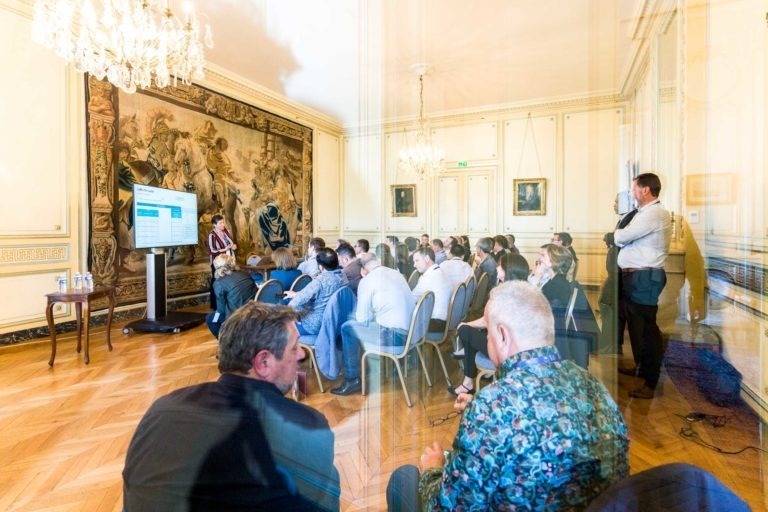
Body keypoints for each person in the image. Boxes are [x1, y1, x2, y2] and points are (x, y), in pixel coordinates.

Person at [387, 281, 629, 511]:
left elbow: (449, 506)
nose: (488, 339)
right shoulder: (593, 385)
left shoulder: (491, 406)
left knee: (404, 478)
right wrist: (479, 409)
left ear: (502, 336)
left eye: (488, 333)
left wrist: (432, 470)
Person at [123, 303, 341, 511]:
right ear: (263, 363)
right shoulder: (306, 427)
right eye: (294, 348)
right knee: (330, 478)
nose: (302, 354)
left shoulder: (162, 409)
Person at [615, 172, 671, 399]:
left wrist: (620, 234)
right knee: (637, 330)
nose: (631, 192)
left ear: (645, 190)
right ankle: (641, 368)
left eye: (634, 188)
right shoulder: (643, 213)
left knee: (647, 331)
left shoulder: (654, 214)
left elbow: (620, 236)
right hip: (637, 278)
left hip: (644, 279)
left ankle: (650, 381)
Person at [331, 254, 416, 396]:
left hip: (395, 337)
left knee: (347, 327)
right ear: (378, 262)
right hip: (412, 332)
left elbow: (362, 319)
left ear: (363, 270)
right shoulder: (396, 273)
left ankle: (352, 379)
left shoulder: (367, 281)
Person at [448, 253, 530, 396]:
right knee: (470, 333)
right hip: (518, 345)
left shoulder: (504, 294)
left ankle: (467, 382)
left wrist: (464, 325)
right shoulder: (523, 290)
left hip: (505, 350)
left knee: (464, 332)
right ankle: (468, 381)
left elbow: (486, 321)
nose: (497, 267)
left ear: (507, 270)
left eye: (499, 265)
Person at [286, 248, 346, 335]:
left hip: (314, 326)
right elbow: (325, 294)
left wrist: (285, 313)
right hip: (335, 320)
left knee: (281, 324)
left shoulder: (320, 281)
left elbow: (298, 300)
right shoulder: (342, 275)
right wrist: (296, 294)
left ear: (320, 266)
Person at [206, 254, 257, 338]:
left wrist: (225, 323)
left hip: (237, 315)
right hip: (253, 311)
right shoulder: (245, 274)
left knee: (211, 319)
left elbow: (221, 310)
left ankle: (228, 342)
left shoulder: (219, 283)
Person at [411, 247, 453, 333]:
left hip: (435, 323)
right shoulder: (441, 271)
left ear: (426, 259)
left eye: (417, 260)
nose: (414, 265)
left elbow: (410, 300)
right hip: (447, 320)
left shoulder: (428, 277)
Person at [207, 214, 237, 309]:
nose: (222, 225)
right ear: (214, 225)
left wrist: (234, 246)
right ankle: (216, 305)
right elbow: (212, 250)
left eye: (223, 222)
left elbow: (231, 243)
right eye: (220, 223)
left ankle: (228, 304)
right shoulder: (212, 235)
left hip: (229, 261)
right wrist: (225, 249)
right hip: (218, 264)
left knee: (229, 282)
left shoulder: (226, 232)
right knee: (217, 283)